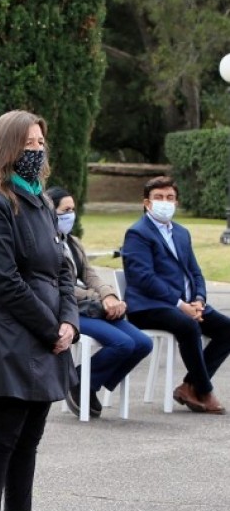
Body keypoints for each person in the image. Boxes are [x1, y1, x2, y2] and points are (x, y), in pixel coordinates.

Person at [0, 110, 77, 511]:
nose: (37, 151)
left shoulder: (44, 202)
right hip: (14, 335)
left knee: (31, 435)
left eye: (40, 143)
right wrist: (51, 328)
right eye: (27, 144)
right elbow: (5, 279)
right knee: (4, 434)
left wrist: (69, 321)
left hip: (48, 333)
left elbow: (64, 270)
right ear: (9, 149)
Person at [123, 175, 230, 414]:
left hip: (186, 305)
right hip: (148, 307)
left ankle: (190, 386)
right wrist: (182, 305)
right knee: (188, 326)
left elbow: (195, 272)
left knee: (226, 329)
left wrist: (199, 301)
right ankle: (204, 390)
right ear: (147, 203)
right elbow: (144, 278)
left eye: (170, 198)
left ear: (176, 203)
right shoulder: (138, 233)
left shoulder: (181, 233)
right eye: (158, 197)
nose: (165, 202)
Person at [47, 186, 152, 417]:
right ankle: (80, 381)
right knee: (123, 343)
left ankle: (89, 381)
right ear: (50, 212)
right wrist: (99, 299)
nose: (71, 215)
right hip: (65, 310)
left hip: (90, 308)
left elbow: (90, 274)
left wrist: (109, 295)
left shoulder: (72, 241)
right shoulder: (44, 244)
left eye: (73, 209)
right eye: (66, 210)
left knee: (143, 343)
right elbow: (58, 285)